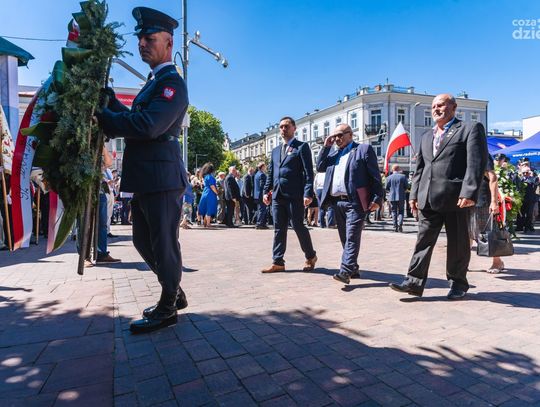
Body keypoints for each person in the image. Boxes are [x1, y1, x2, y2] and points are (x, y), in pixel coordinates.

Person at [96, 7, 189, 333]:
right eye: (140, 39)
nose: (142, 44)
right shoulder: (155, 82)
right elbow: (137, 118)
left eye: (150, 38)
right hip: (149, 177)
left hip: (162, 177)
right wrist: (111, 103)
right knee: (142, 240)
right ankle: (174, 292)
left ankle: (168, 307)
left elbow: (149, 125)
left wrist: (106, 117)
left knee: (163, 244)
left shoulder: (172, 83)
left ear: (169, 42)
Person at [390, 94, 487, 300]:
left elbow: (476, 163)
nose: (436, 109)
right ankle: (413, 282)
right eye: (433, 106)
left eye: (441, 105)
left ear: (453, 107)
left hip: (456, 198)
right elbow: (420, 168)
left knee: (458, 243)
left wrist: (469, 192)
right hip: (427, 198)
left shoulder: (469, 129)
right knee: (423, 240)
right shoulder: (427, 136)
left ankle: (458, 283)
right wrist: (414, 194)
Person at [317, 124, 383, 284]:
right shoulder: (333, 154)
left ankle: (345, 271)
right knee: (345, 238)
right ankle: (353, 268)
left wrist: (377, 198)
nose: (336, 139)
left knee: (352, 236)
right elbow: (320, 167)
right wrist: (326, 147)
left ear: (350, 135)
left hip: (355, 202)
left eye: (340, 135)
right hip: (337, 202)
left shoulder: (363, 150)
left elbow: (375, 176)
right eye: (334, 136)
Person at [261, 116, 317, 273]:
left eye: (286, 126)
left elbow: (308, 172)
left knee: (298, 226)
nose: (283, 129)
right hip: (277, 196)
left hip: (295, 195)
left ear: (294, 128)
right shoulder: (275, 151)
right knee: (279, 228)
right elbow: (271, 174)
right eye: (281, 127)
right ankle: (278, 262)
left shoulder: (302, 147)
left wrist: (308, 193)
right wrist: (266, 191)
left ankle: (310, 256)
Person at [469, 156, 505, 273]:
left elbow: (492, 178)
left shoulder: (481, 153)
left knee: (488, 232)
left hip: (482, 200)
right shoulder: (461, 153)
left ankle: (497, 262)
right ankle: (463, 262)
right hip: (466, 199)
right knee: (467, 233)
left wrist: (494, 201)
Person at [385, 164, 408, 232]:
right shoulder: (403, 176)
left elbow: (386, 188)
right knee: (401, 211)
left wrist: (391, 190)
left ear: (392, 169)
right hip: (401, 196)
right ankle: (400, 225)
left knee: (393, 211)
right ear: (399, 169)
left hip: (392, 196)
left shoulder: (389, 177)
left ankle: (395, 226)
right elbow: (406, 186)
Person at [197, 162, 219, 228]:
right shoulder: (210, 177)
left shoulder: (205, 177)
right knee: (210, 207)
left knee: (206, 208)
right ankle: (208, 224)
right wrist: (217, 192)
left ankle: (205, 222)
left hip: (205, 192)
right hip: (210, 193)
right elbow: (212, 186)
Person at [254, 162, 269, 229]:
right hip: (261, 195)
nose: (266, 168)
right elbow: (262, 186)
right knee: (262, 210)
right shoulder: (262, 174)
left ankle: (261, 223)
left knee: (260, 209)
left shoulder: (257, 174)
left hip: (257, 195)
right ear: (262, 167)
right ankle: (259, 224)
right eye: (265, 166)